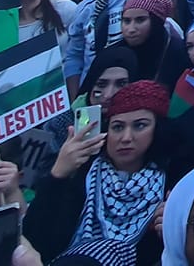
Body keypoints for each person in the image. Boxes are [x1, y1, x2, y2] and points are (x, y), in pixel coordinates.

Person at [24, 80, 171, 260]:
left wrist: (170, 233)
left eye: (139, 125)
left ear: (158, 129)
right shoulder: (83, 176)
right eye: (117, 127)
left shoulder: (171, 184)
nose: (126, 138)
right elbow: (37, 242)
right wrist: (57, 175)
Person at [119, 0, 190, 88]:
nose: (131, 29)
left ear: (156, 21)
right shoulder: (115, 54)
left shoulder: (178, 53)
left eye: (140, 20)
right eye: (126, 21)